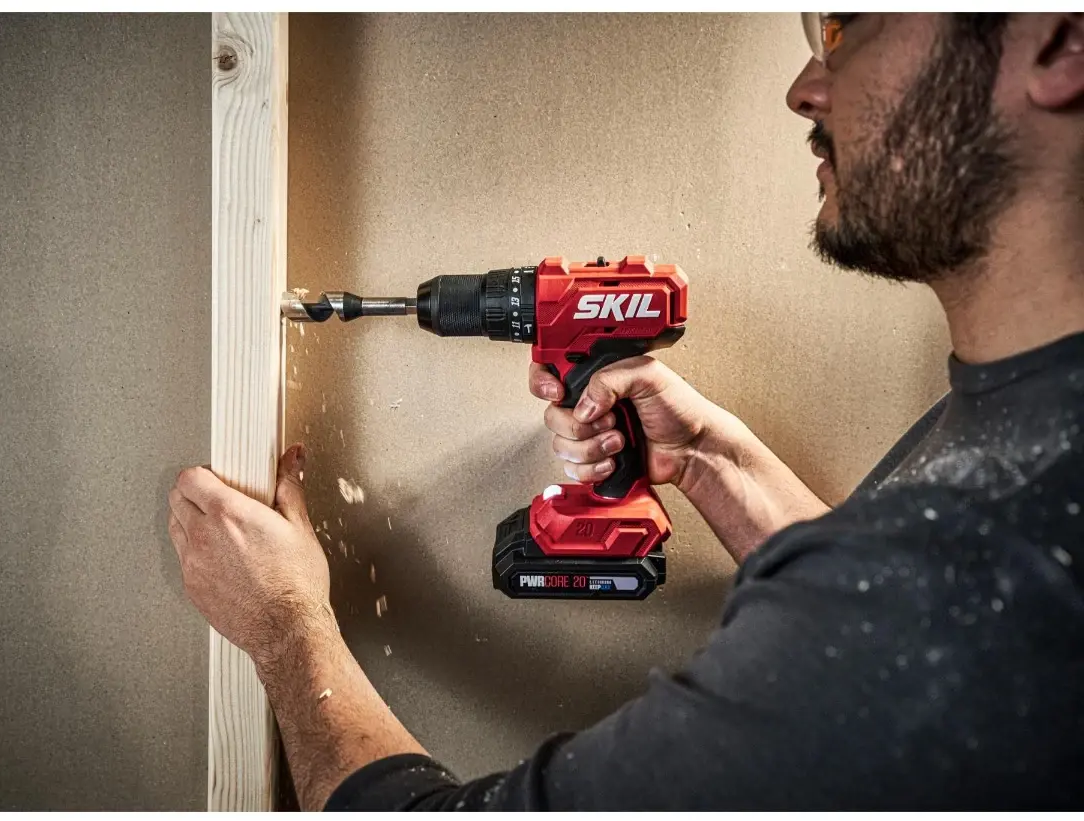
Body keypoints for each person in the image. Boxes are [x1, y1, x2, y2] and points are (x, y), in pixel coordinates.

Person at [167, 12, 1084, 809]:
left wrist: (286, 629)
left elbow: (893, 628)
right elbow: (884, 652)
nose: (805, 90)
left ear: (1060, 40)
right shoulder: (1021, 432)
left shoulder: (961, 580)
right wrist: (709, 456)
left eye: (846, 27)